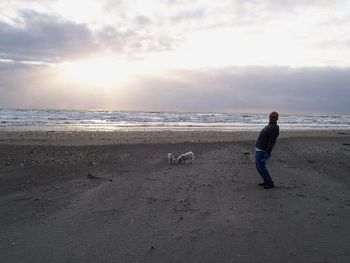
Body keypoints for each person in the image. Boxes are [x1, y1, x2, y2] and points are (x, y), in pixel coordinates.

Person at [255, 111, 279, 189]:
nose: (271, 118)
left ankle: (270, 182)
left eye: (273, 117)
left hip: (263, 150)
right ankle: (266, 181)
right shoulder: (270, 126)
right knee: (259, 167)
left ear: (276, 119)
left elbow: (271, 142)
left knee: (261, 167)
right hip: (259, 149)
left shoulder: (274, 128)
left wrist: (267, 153)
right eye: (270, 116)